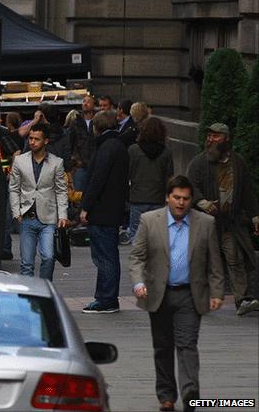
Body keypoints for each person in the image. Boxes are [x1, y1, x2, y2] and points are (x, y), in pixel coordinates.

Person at [129, 175, 224, 412]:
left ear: (191, 200)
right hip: (158, 293)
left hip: (190, 294)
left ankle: (191, 393)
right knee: (162, 346)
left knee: (187, 344)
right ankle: (166, 396)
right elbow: (137, 257)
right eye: (176, 198)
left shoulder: (205, 223)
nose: (181, 203)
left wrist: (217, 292)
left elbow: (214, 262)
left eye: (186, 199)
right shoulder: (150, 220)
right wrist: (138, 282)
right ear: (167, 198)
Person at [187, 122, 259, 316]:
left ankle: (242, 299)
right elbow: (190, 186)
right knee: (202, 261)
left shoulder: (238, 163)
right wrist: (201, 202)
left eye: (216, 136)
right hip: (206, 223)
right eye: (209, 135)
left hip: (229, 223)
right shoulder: (199, 162)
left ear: (226, 139)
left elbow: (246, 192)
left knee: (235, 259)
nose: (211, 139)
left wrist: (255, 217)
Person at [80, 110, 129, 313]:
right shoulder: (119, 146)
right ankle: (107, 297)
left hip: (102, 211)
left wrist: (85, 207)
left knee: (104, 257)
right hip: (113, 209)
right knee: (109, 255)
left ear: (97, 128)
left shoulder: (106, 148)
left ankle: (106, 298)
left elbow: (96, 180)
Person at [8, 123, 69, 280]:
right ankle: (28, 298)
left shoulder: (57, 162)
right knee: (26, 263)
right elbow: (14, 188)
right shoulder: (20, 161)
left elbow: (61, 190)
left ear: (46, 141)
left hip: (48, 218)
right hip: (27, 217)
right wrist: (16, 212)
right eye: (30, 138)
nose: (32, 142)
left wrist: (62, 215)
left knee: (48, 257)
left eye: (36, 139)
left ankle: (45, 292)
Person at [125, 117, 173, 245]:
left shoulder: (133, 150)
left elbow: (127, 173)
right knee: (157, 236)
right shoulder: (166, 152)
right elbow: (169, 177)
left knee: (136, 235)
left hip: (137, 197)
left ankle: (139, 262)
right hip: (157, 198)